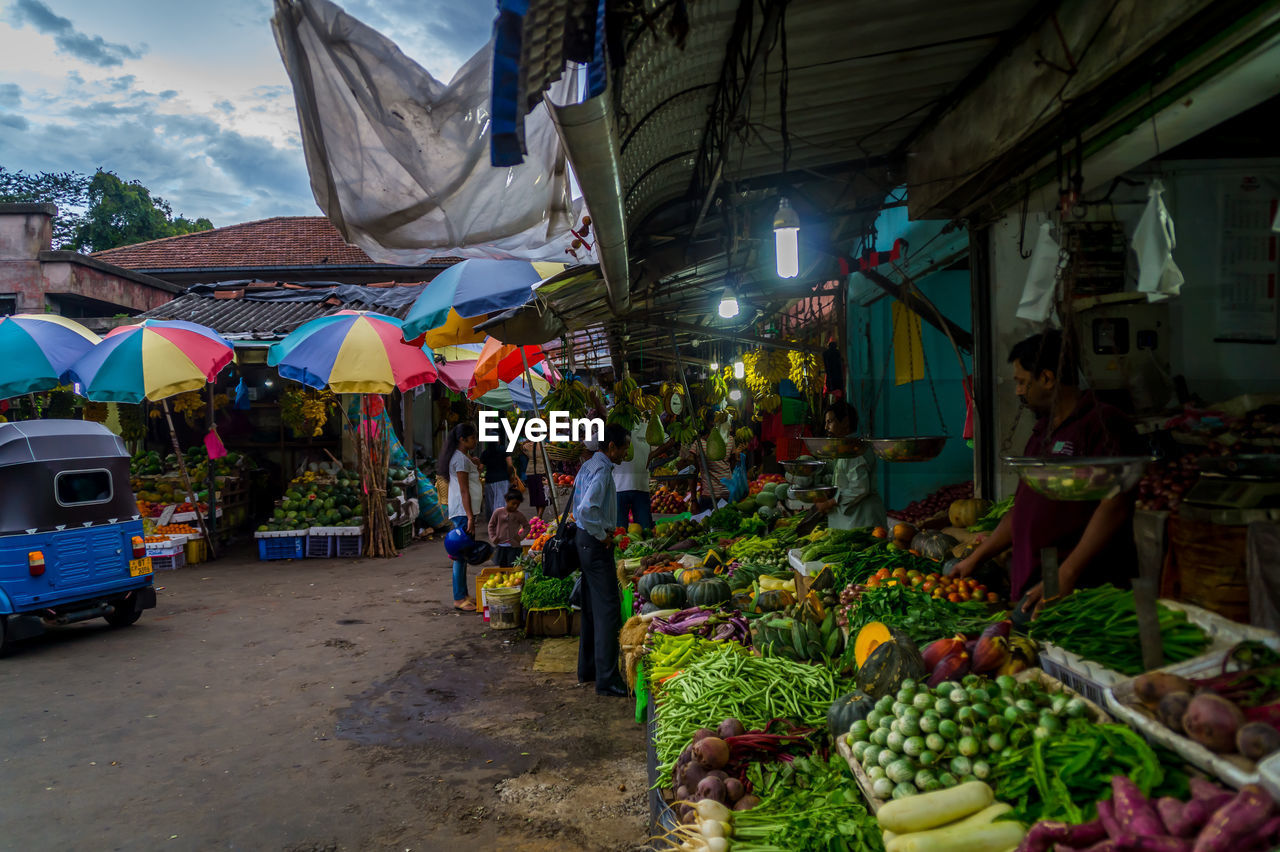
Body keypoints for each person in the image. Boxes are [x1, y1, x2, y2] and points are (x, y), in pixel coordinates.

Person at [951, 330, 1142, 616]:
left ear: (1048, 378)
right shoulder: (1042, 431)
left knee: (1063, 648)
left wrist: (1066, 574)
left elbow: (1115, 505)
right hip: (1046, 569)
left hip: (1080, 577)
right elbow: (1021, 509)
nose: (1017, 390)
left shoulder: (1102, 424)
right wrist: (976, 558)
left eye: (1021, 382)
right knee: (1032, 641)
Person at [572, 423, 631, 697]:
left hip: (583, 543)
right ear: (611, 447)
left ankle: (588, 670)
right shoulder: (603, 471)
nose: (625, 453)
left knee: (592, 609)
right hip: (594, 543)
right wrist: (602, 536)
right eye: (623, 448)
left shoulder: (588, 465)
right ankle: (607, 679)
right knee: (608, 611)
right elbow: (585, 509)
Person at [813, 401, 886, 530]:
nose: (826, 427)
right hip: (853, 519)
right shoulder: (846, 448)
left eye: (829, 422)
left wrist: (830, 502)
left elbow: (860, 488)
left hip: (862, 520)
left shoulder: (855, 450)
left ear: (845, 422)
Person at [442, 422, 482, 611]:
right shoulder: (459, 460)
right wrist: (470, 517)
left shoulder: (462, 458)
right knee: (460, 555)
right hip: (463, 512)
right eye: (472, 437)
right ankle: (458, 598)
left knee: (464, 555)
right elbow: (464, 490)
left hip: (464, 511)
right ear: (462, 439)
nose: (475, 440)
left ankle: (464, 594)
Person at [681, 413, 735, 509]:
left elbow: (732, 465)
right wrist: (693, 500)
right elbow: (692, 472)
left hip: (729, 495)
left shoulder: (730, 440)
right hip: (709, 497)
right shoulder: (699, 444)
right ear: (711, 424)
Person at [613, 421, 653, 530]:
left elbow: (666, 442)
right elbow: (588, 445)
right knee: (619, 532)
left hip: (642, 487)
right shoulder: (613, 428)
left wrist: (652, 456)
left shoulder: (647, 428)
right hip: (617, 488)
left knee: (645, 530)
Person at [477, 437, 513, 528]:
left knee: (490, 503)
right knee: (501, 502)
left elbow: (480, 468)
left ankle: (493, 524)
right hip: (502, 479)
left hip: (489, 480)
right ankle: (501, 525)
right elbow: (510, 464)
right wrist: (510, 474)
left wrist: (476, 478)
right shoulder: (503, 450)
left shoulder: (485, 452)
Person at [488, 488, 529, 568]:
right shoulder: (498, 512)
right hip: (501, 545)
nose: (515, 506)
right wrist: (493, 537)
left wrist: (520, 537)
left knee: (513, 567)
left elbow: (527, 526)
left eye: (518, 505)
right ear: (507, 500)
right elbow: (491, 525)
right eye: (513, 503)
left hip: (514, 547)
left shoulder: (519, 515)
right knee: (502, 566)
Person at [522, 440, 550, 520]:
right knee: (543, 495)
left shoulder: (527, 446)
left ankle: (538, 516)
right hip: (542, 471)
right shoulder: (545, 445)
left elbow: (522, 450)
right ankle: (539, 516)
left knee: (535, 496)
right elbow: (549, 456)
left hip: (530, 472)